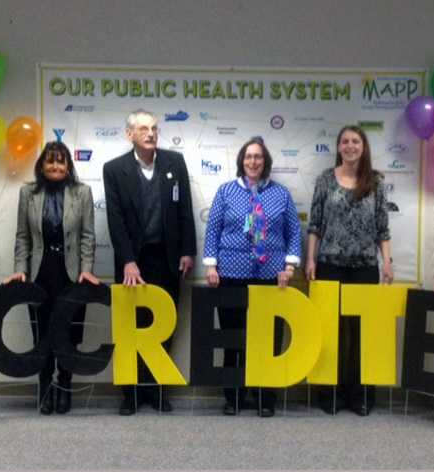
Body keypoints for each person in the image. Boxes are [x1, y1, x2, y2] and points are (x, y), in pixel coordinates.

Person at [103, 109, 196, 415]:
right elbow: (115, 221)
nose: (151, 133)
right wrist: (128, 260)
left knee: (165, 325)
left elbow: (184, 210)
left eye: (154, 128)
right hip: (134, 262)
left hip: (167, 258)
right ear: (130, 134)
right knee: (131, 329)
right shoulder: (114, 170)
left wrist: (187, 250)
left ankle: (156, 390)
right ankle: (130, 394)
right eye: (143, 128)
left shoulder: (173, 163)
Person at [203, 136, 302, 417]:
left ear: (265, 161)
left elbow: (294, 232)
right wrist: (211, 266)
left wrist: (290, 267)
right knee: (233, 339)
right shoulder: (226, 192)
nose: (253, 161)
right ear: (241, 161)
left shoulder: (280, 194)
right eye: (248, 157)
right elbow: (212, 230)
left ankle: (264, 397)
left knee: (267, 340)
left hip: (271, 277)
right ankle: (233, 396)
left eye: (258, 157)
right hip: (231, 275)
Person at [4, 141, 99, 415]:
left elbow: (87, 236)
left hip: (71, 274)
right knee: (42, 332)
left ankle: (65, 386)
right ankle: (45, 387)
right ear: (41, 165)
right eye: (50, 161)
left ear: (69, 165)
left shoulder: (82, 193)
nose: (55, 166)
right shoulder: (28, 193)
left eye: (61, 161)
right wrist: (21, 268)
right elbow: (22, 236)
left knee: (69, 333)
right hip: (39, 273)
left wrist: (87, 269)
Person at [306, 125, 393, 416]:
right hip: (330, 264)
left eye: (356, 141)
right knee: (331, 333)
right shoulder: (325, 180)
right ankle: (330, 393)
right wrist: (310, 260)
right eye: (345, 141)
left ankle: (360, 395)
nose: (350, 146)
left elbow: (383, 228)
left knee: (360, 335)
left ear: (364, 146)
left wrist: (387, 262)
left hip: (365, 268)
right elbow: (315, 225)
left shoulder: (376, 182)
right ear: (338, 147)